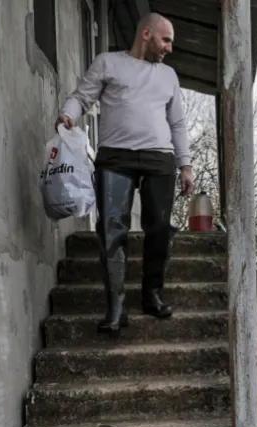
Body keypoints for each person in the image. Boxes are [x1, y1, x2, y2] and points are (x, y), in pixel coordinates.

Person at [57, 12, 195, 333]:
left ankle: (152, 294)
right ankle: (116, 306)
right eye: (166, 40)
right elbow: (81, 97)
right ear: (146, 34)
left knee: (159, 227)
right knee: (111, 229)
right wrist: (67, 115)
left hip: (159, 159)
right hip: (115, 158)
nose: (170, 48)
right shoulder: (108, 63)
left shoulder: (169, 76)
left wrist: (185, 165)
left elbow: (177, 123)